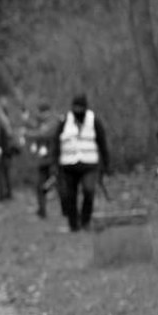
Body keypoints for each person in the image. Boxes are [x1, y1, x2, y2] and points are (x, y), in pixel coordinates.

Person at [54, 93, 110, 233]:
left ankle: (85, 221)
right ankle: (73, 225)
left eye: (80, 108)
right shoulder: (64, 121)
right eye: (75, 108)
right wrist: (55, 164)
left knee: (89, 191)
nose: (78, 111)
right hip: (68, 166)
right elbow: (56, 144)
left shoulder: (94, 121)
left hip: (89, 165)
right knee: (70, 196)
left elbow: (102, 143)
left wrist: (107, 164)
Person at [27, 101, 60, 219]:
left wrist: (27, 133)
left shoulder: (53, 121)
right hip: (43, 159)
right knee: (40, 186)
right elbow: (36, 128)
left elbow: (44, 134)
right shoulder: (43, 122)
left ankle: (66, 210)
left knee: (55, 183)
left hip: (53, 159)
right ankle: (42, 211)